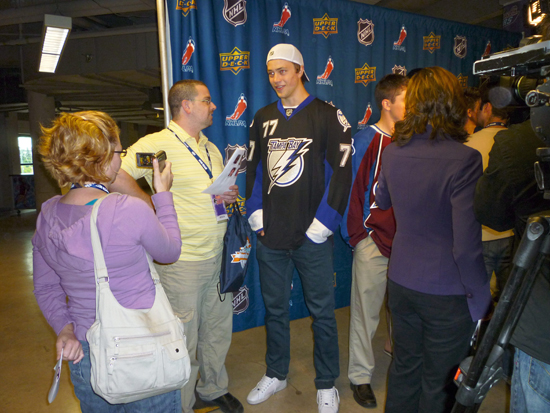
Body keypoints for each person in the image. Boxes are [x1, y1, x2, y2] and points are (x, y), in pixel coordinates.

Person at [33, 111, 182, 412]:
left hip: (88, 348)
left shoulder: (47, 216)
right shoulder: (129, 209)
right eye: (118, 152)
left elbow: (46, 287)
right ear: (100, 158)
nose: (120, 159)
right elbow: (170, 252)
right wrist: (163, 195)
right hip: (143, 343)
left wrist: (64, 328)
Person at [111, 80, 242, 413]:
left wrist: (225, 195)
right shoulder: (157, 145)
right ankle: (180, 404)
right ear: (186, 106)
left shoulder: (210, 148)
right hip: (182, 260)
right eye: (207, 101)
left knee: (217, 328)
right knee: (183, 337)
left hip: (219, 254)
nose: (213, 106)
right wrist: (150, 203)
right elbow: (114, 175)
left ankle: (213, 388)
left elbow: (207, 193)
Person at [375, 67, 491, 413]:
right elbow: (467, 244)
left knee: (405, 368)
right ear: (452, 103)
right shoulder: (465, 159)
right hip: (447, 290)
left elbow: (382, 200)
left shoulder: (394, 150)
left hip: (401, 281)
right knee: (439, 382)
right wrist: (481, 300)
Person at [245, 43, 352, 413]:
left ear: (300, 71)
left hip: (312, 236)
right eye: (271, 72)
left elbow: (342, 173)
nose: (276, 79)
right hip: (271, 235)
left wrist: (322, 226)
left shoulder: (327, 115)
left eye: (283, 71)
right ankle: (276, 373)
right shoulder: (262, 118)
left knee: (322, 312)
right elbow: (255, 170)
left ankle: (326, 382)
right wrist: (256, 215)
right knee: (274, 309)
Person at [341, 73, 408, 408]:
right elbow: (351, 191)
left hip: (408, 245)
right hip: (373, 242)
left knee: (404, 312)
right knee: (365, 315)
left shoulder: (412, 140)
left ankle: (400, 359)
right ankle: (360, 376)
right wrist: (359, 238)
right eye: (406, 100)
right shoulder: (366, 140)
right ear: (387, 103)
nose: (412, 107)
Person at [465, 86, 514, 300]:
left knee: (477, 301)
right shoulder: (522, 143)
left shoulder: (468, 145)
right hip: (513, 234)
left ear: (487, 107)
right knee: (510, 300)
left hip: (479, 235)